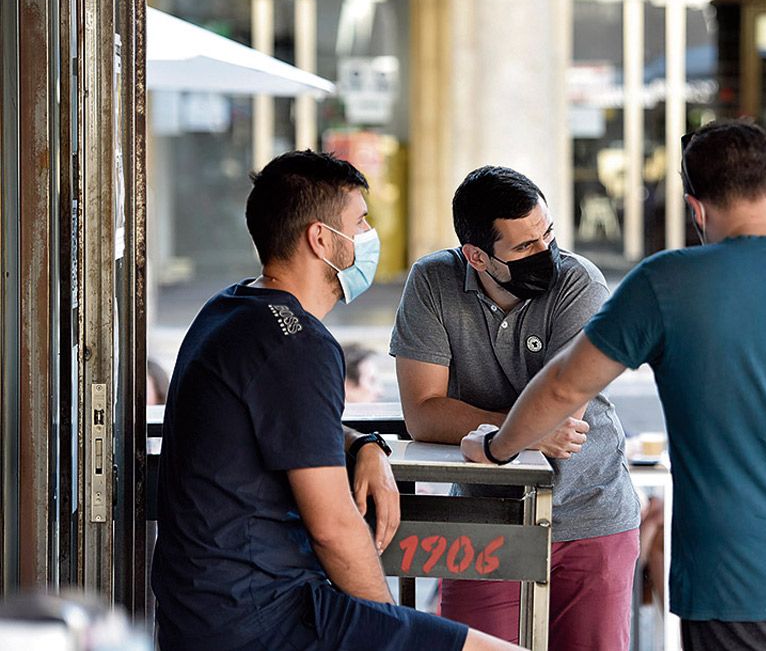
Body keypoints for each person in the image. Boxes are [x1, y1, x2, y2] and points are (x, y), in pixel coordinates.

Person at [461, 120, 766, 651]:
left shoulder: (668, 283)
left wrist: (498, 447)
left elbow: (565, 388)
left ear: (696, 209)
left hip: (739, 590)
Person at [151, 150, 515, 651]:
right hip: (262, 619)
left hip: (209, 608)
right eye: (360, 222)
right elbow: (334, 528)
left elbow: (279, 420)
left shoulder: (231, 310)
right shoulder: (299, 344)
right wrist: (389, 627)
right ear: (321, 239)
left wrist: (362, 443)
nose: (368, 236)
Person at [391, 165, 641, 649]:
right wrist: (525, 429)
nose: (545, 253)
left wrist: (495, 433)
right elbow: (422, 411)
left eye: (548, 234)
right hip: (482, 524)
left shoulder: (578, 282)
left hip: (589, 514)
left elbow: (564, 409)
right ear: (476, 256)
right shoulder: (431, 282)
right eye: (525, 247)